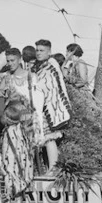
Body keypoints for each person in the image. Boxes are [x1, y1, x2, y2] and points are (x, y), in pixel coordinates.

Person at [32, 39, 72, 175]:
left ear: (49, 51)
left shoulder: (51, 65)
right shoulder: (39, 65)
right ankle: (44, 167)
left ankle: (54, 168)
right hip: (39, 106)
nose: (38, 53)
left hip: (50, 107)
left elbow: (51, 85)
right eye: (37, 50)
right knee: (42, 137)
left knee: (49, 137)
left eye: (41, 50)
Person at [0, 101, 34, 199]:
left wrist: (4, 168)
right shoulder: (20, 131)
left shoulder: (8, 133)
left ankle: (15, 188)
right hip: (23, 169)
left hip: (14, 170)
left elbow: (7, 153)